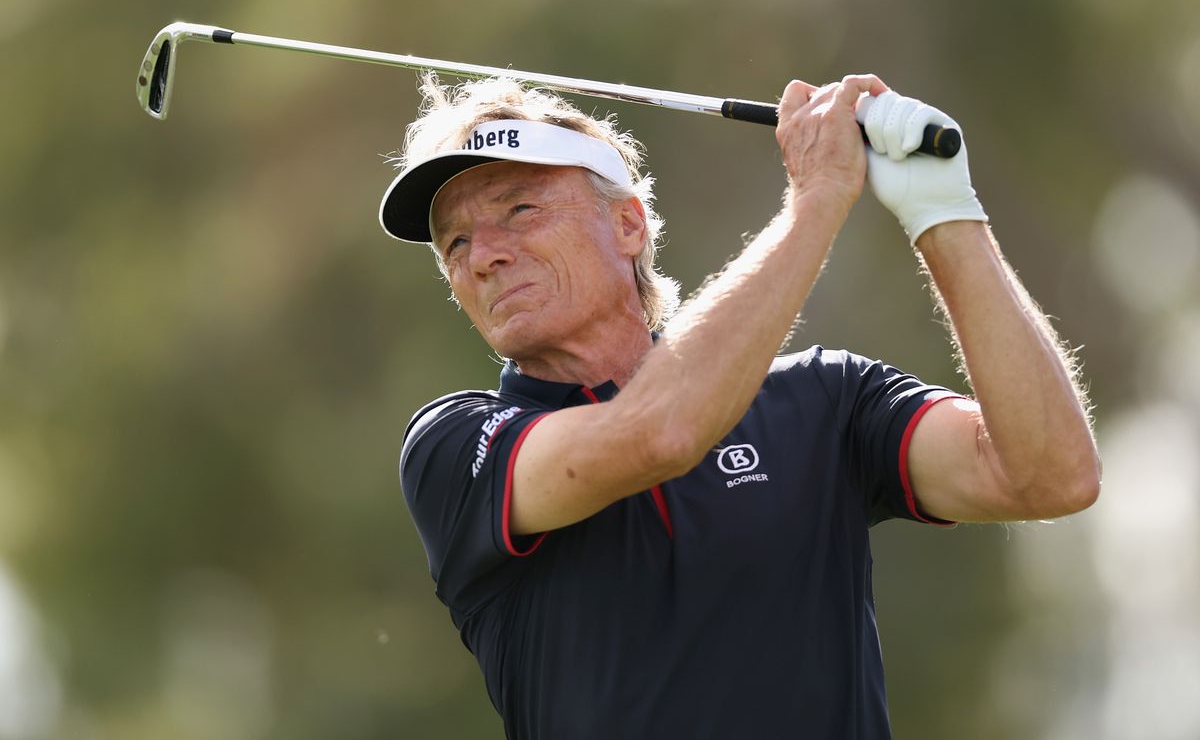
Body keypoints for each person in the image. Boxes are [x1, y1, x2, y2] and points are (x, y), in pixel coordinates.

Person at [380, 72, 1101, 739]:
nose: (483, 256)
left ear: (629, 226)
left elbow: (1049, 476)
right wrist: (817, 198)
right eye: (456, 243)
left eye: (520, 208)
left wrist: (942, 212)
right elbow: (663, 430)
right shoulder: (457, 445)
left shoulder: (824, 399)